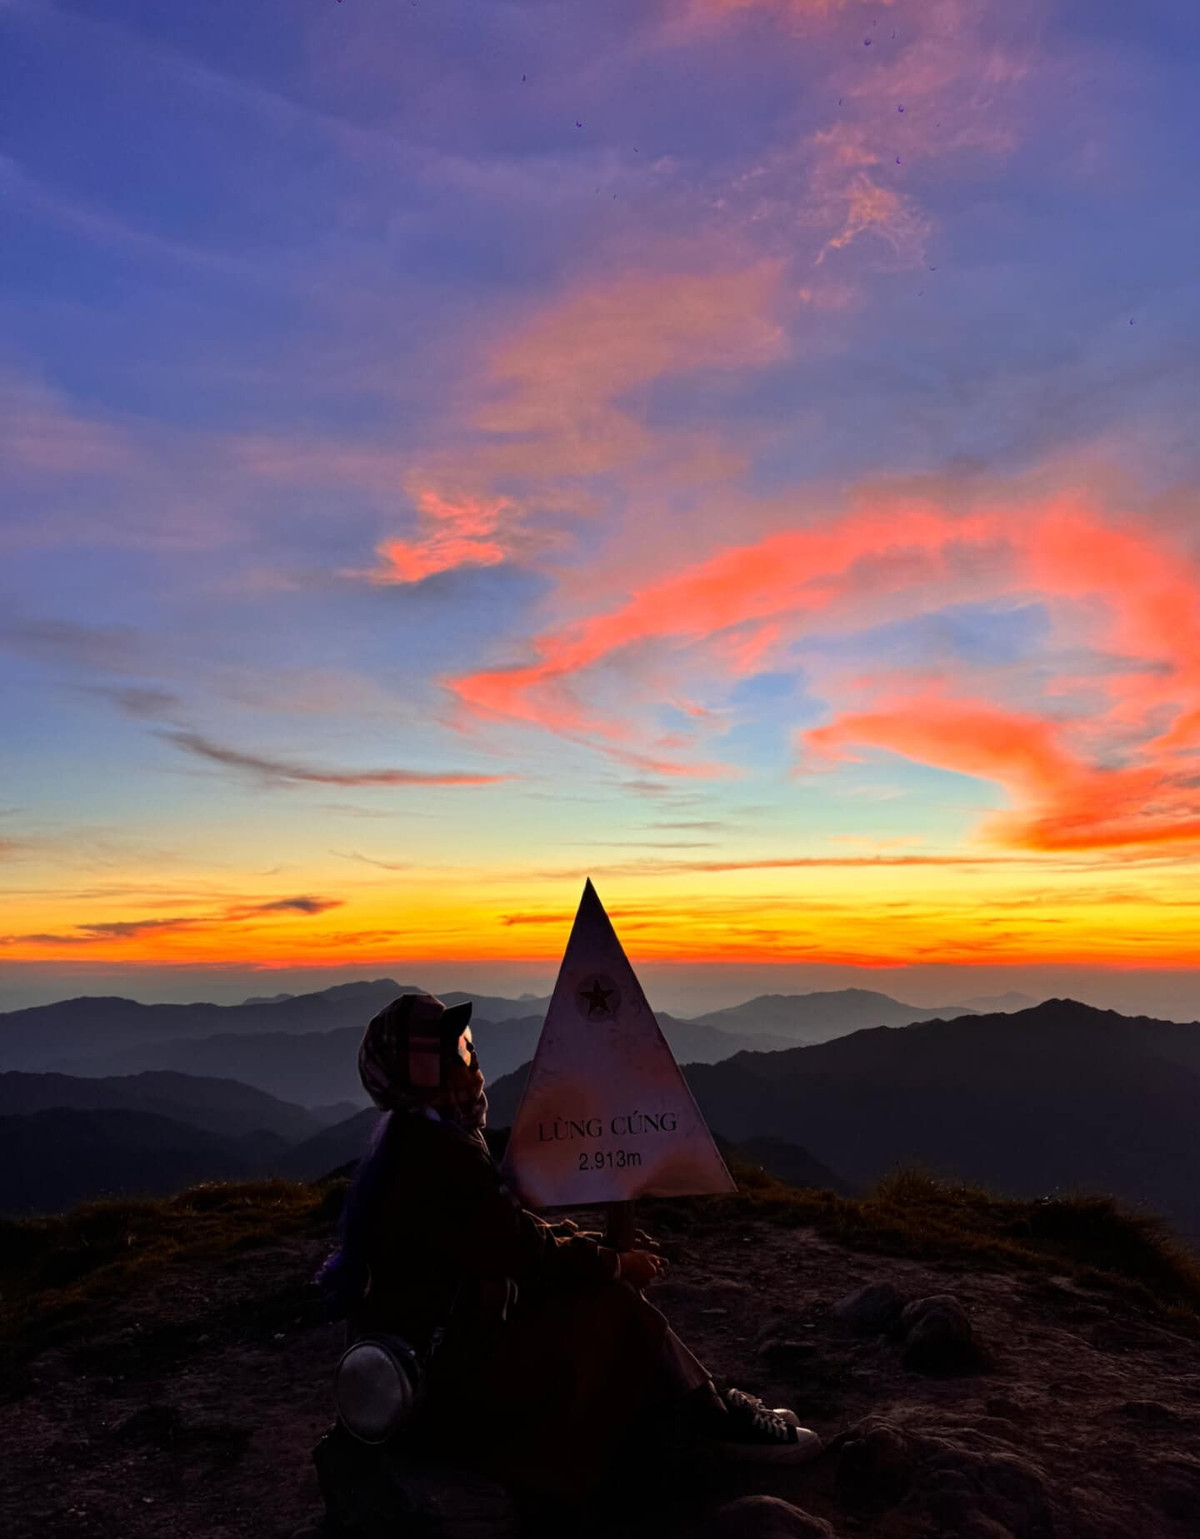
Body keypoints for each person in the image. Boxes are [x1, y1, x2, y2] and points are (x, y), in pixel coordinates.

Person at [317, 992, 821, 1499]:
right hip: (455, 1376)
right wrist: (614, 1265)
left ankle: (706, 1407)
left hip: (448, 1352)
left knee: (598, 1293)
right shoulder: (438, 1159)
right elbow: (523, 1252)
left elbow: (505, 1235)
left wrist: (592, 1248)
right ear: (426, 1074)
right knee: (615, 1303)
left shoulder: (413, 1141)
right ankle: (715, 1418)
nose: (473, 1061)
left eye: (468, 1045)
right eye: (461, 1051)